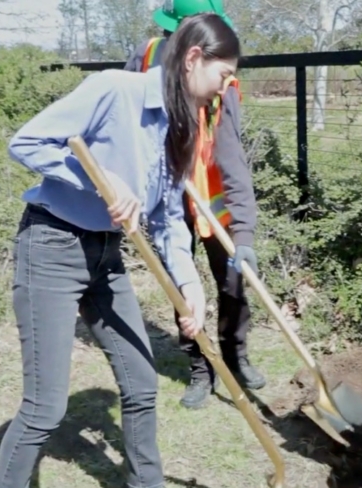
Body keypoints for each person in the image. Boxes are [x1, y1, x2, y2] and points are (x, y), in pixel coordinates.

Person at [0, 14, 239, 488]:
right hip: (51, 246)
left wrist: (191, 288)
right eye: (223, 75)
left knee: (142, 385)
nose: (224, 87)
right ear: (193, 59)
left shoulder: (181, 125)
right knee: (45, 408)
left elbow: (169, 220)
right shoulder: (114, 90)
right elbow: (25, 142)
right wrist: (100, 181)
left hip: (106, 256)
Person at [122, 0, 266, 411]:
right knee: (183, 290)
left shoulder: (223, 78)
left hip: (214, 198)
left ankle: (236, 356)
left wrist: (244, 234)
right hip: (168, 197)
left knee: (234, 282)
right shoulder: (147, 56)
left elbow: (232, 156)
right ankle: (200, 367)